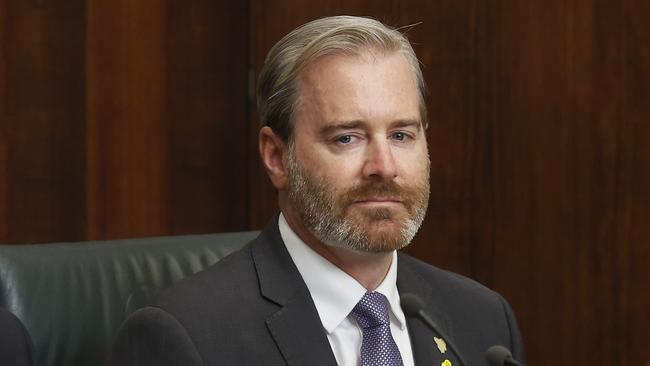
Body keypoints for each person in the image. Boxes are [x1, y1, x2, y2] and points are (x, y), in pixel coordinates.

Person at [107, 15, 525, 366]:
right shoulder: (186, 336)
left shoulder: (482, 320)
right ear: (276, 156)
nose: (384, 167)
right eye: (347, 137)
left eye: (401, 135)